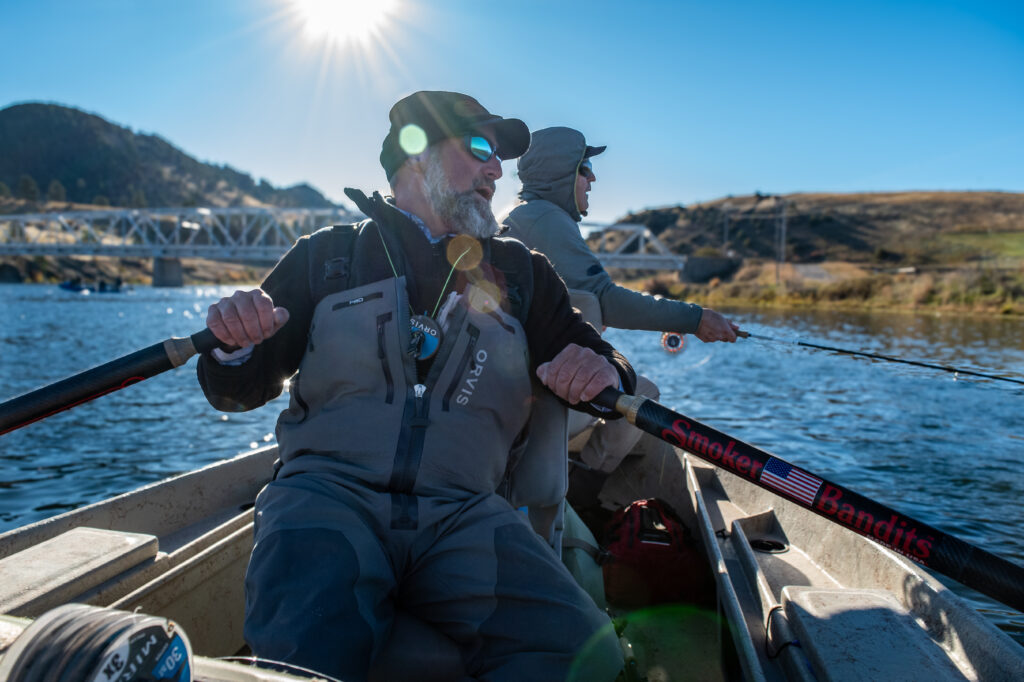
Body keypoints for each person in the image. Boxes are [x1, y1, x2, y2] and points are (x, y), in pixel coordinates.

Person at [197, 93, 633, 682]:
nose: (497, 170)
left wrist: (605, 370)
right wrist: (234, 341)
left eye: (499, 159)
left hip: (466, 514)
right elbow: (235, 391)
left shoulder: (523, 274)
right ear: (415, 156)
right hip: (326, 500)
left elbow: (604, 359)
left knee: (589, 656)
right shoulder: (329, 257)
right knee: (300, 661)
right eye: (481, 148)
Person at [501, 126, 739, 523]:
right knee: (642, 393)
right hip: (534, 400)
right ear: (562, 173)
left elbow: (581, 301)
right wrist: (696, 318)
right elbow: (606, 297)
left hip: (519, 388)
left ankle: (575, 492)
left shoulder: (521, 214)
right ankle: (582, 499)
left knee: (629, 385)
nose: (592, 178)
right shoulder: (544, 218)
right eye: (585, 167)